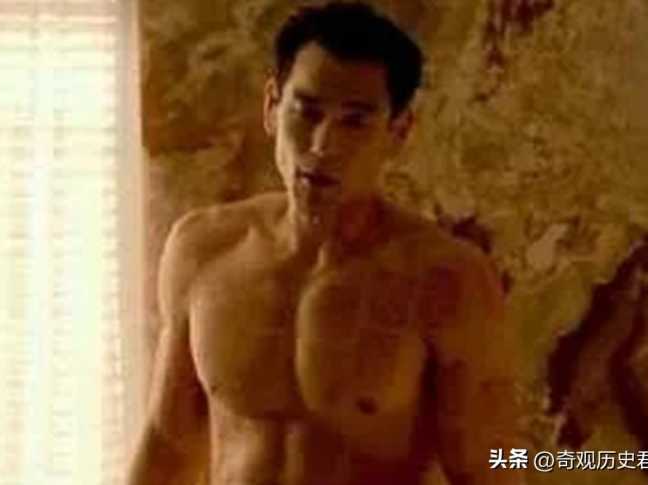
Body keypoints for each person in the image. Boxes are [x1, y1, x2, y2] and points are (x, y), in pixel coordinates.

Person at [129, 2, 525, 484]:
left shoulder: (446, 278)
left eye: (354, 122)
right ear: (272, 107)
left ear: (398, 132)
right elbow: (167, 443)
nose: (322, 145)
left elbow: (488, 469)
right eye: (307, 112)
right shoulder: (202, 250)